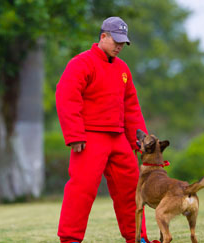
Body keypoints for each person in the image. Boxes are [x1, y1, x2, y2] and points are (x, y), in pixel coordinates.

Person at [56, 16, 150, 243]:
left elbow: (131, 106)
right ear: (103, 36)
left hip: (118, 138)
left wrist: (141, 140)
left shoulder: (123, 69)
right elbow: (66, 97)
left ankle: (138, 238)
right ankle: (70, 239)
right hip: (89, 137)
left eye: (123, 42)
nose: (119, 46)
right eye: (115, 40)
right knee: (82, 190)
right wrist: (74, 135)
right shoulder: (81, 63)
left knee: (131, 189)